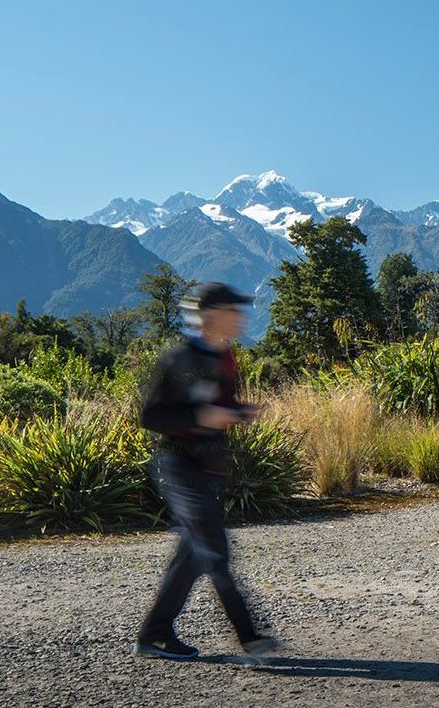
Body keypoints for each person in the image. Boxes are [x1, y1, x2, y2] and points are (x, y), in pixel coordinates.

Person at [135, 282, 285, 662]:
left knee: (192, 556)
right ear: (212, 315)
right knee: (215, 552)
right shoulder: (180, 360)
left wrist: (238, 412)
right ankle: (250, 639)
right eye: (234, 311)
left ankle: (154, 635)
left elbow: (222, 402)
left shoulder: (225, 357)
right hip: (177, 466)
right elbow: (151, 416)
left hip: (207, 469)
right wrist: (202, 417)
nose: (241, 318)